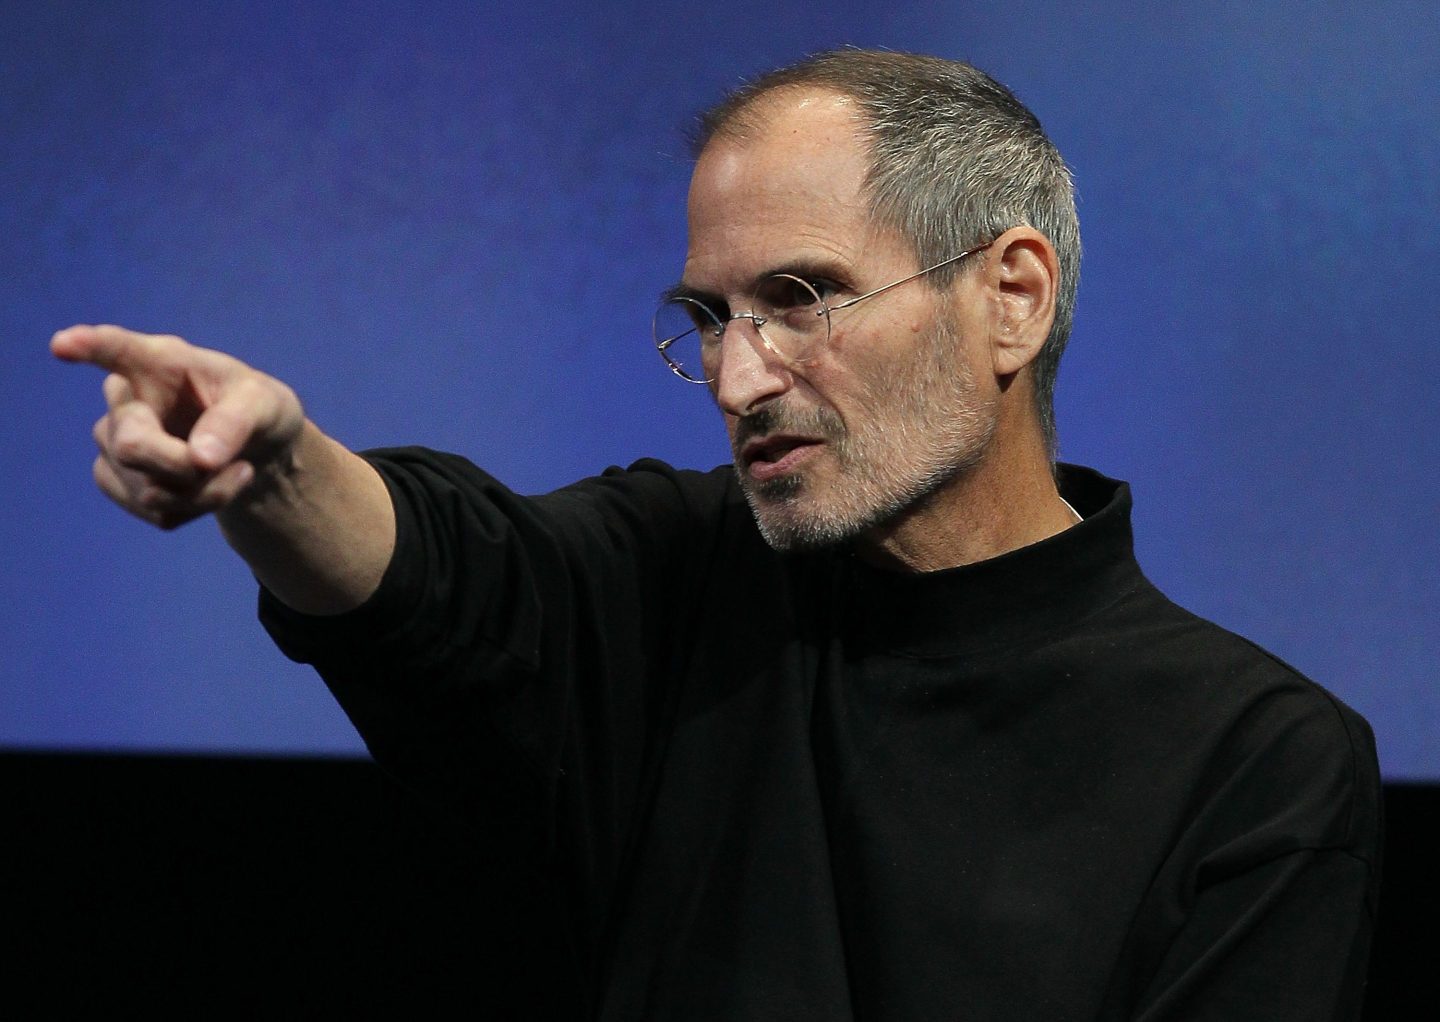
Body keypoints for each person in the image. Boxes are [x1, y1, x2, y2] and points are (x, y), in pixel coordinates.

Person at [53, 50, 1379, 1020]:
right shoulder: (681, 582)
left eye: (804, 298)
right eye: (711, 316)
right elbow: (449, 573)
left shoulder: (1258, 764)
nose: (740, 377)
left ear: (1012, 298)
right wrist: (272, 467)